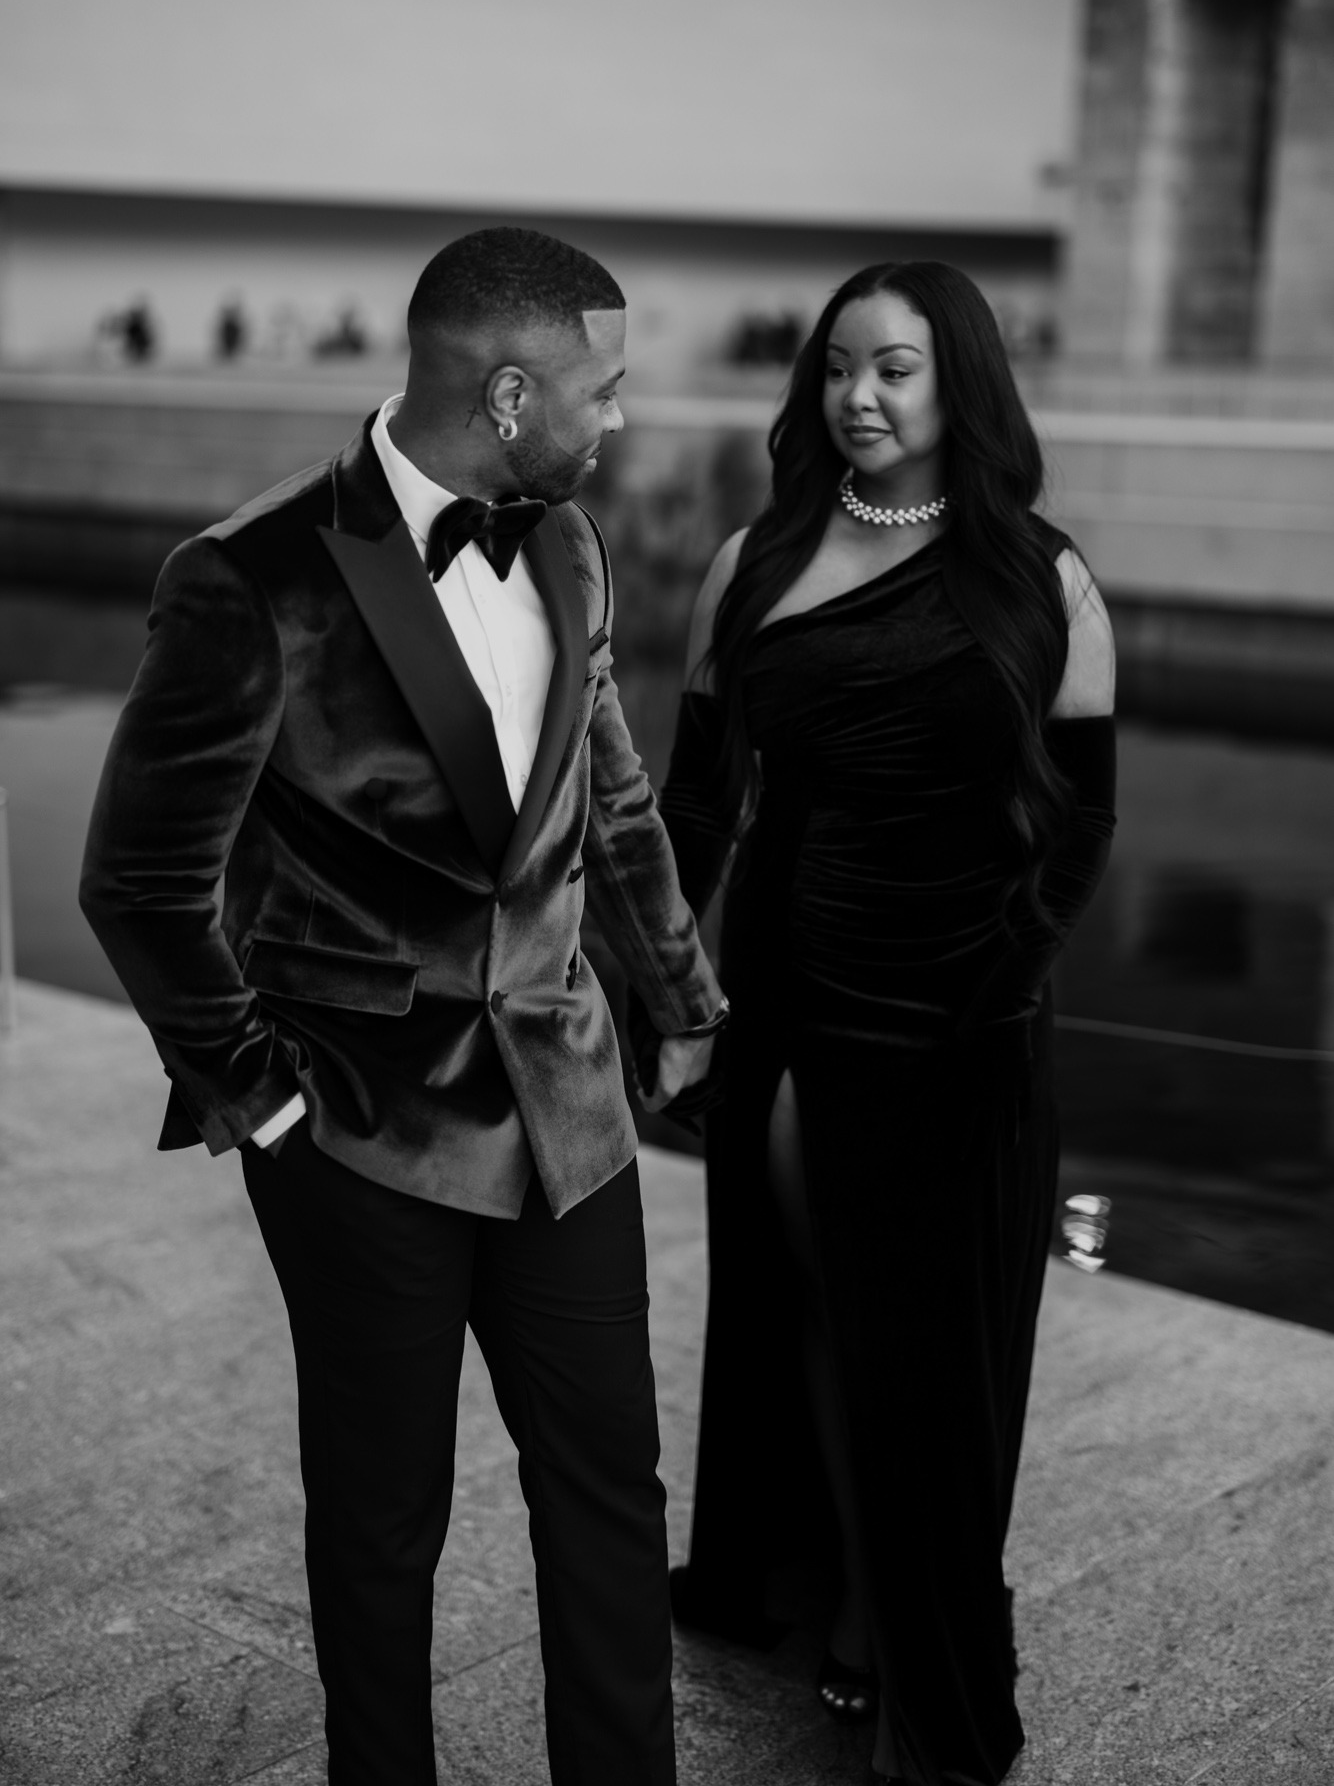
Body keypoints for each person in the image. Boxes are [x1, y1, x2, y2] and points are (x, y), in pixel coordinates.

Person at [79, 227, 726, 1786]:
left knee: (610, 1490)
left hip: (568, 1107)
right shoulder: (250, 574)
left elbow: (613, 801)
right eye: (600, 389)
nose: (618, 418)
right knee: (382, 1523)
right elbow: (140, 882)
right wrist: (261, 1100)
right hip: (358, 1128)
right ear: (507, 395)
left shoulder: (568, 545)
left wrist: (683, 997)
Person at [648, 261, 1116, 1785]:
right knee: (817, 1311)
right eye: (837, 367)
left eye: (894, 368)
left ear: (957, 382)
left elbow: (1080, 829)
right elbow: (696, 804)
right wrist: (662, 991)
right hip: (794, 993)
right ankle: (842, 1595)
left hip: (968, 1016)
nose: (857, 395)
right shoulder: (755, 559)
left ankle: (901, 1613)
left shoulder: (1041, 579)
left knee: (928, 1354)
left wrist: (995, 990)